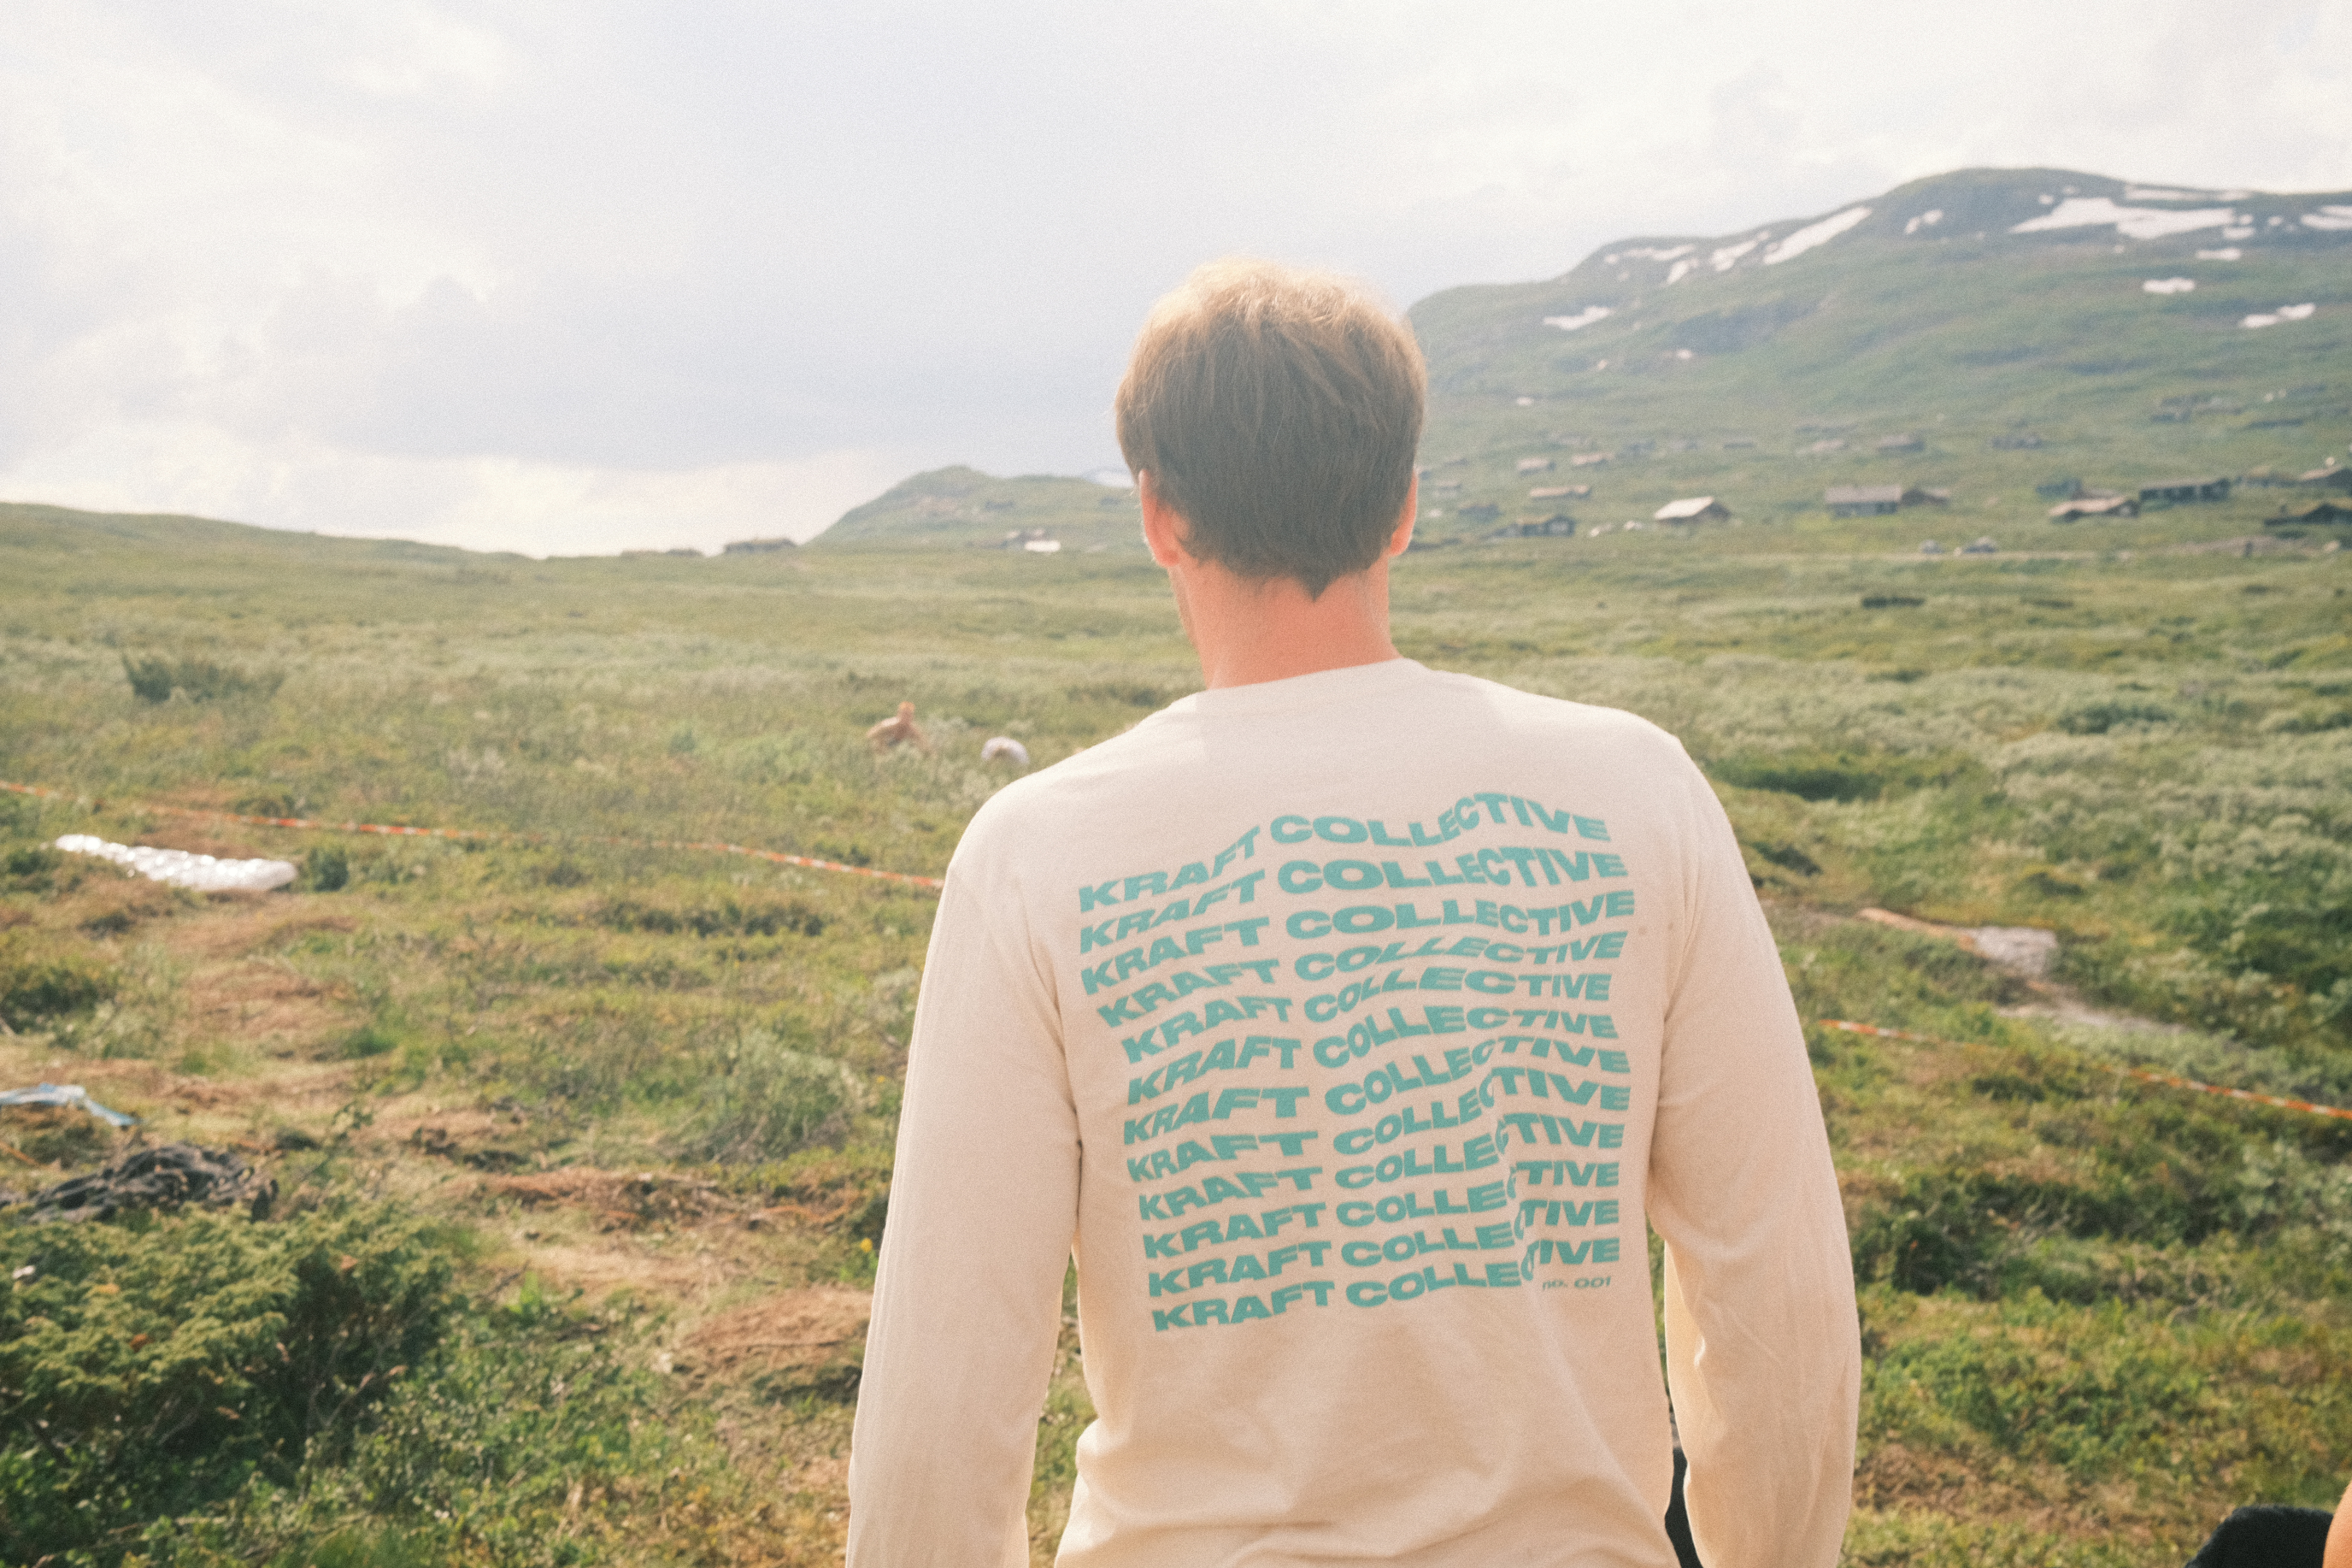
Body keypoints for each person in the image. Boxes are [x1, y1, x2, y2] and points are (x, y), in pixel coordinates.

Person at [848, 259, 1859, 1566]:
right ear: (1400, 512)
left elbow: (945, 1383)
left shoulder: (1038, 854)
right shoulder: (1636, 793)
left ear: (1158, 514)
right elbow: (1770, 1281)